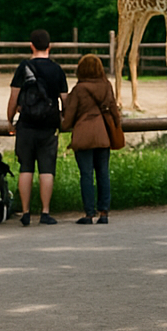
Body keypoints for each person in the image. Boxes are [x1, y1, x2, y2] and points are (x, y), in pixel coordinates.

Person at [7, 28, 68, 226]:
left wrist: (10, 120)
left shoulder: (23, 67)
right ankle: (45, 212)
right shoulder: (57, 70)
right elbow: (65, 100)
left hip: (26, 124)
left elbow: (13, 97)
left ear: (31, 46)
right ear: (49, 47)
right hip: (49, 125)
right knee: (46, 169)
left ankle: (25, 212)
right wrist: (63, 117)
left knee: (26, 168)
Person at [61, 53, 123, 224]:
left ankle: (89, 213)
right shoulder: (106, 86)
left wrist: (63, 122)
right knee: (103, 173)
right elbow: (114, 112)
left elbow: (68, 119)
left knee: (86, 175)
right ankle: (104, 212)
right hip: (103, 134)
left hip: (83, 136)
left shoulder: (79, 89)